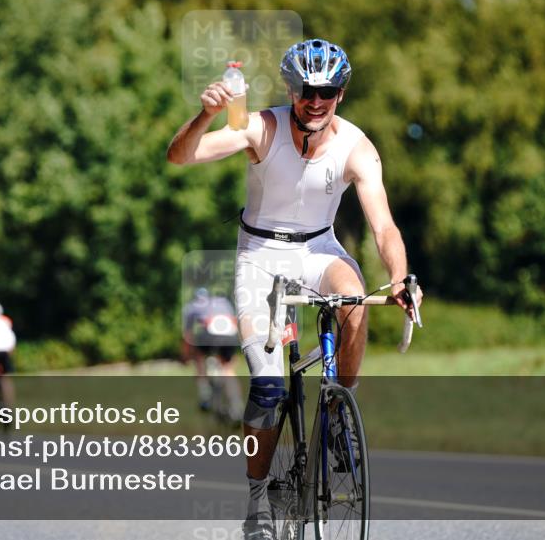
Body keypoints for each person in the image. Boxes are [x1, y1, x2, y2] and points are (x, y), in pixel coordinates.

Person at [167, 39, 423, 539]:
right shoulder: (261, 127)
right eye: (306, 90)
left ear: (341, 94)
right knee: (267, 389)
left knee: (353, 299)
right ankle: (257, 500)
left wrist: (399, 277)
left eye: (327, 91)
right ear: (291, 89)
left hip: (319, 250)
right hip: (259, 256)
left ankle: (340, 411)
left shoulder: (357, 146)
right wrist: (204, 116)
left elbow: (385, 227)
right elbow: (180, 155)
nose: (316, 101)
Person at [181, 287, 243, 424]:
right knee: (227, 369)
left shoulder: (190, 307)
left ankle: (204, 395)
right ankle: (236, 407)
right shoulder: (223, 302)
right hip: (230, 335)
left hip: (209, 334)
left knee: (198, 357)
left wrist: (186, 356)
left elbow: (187, 335)